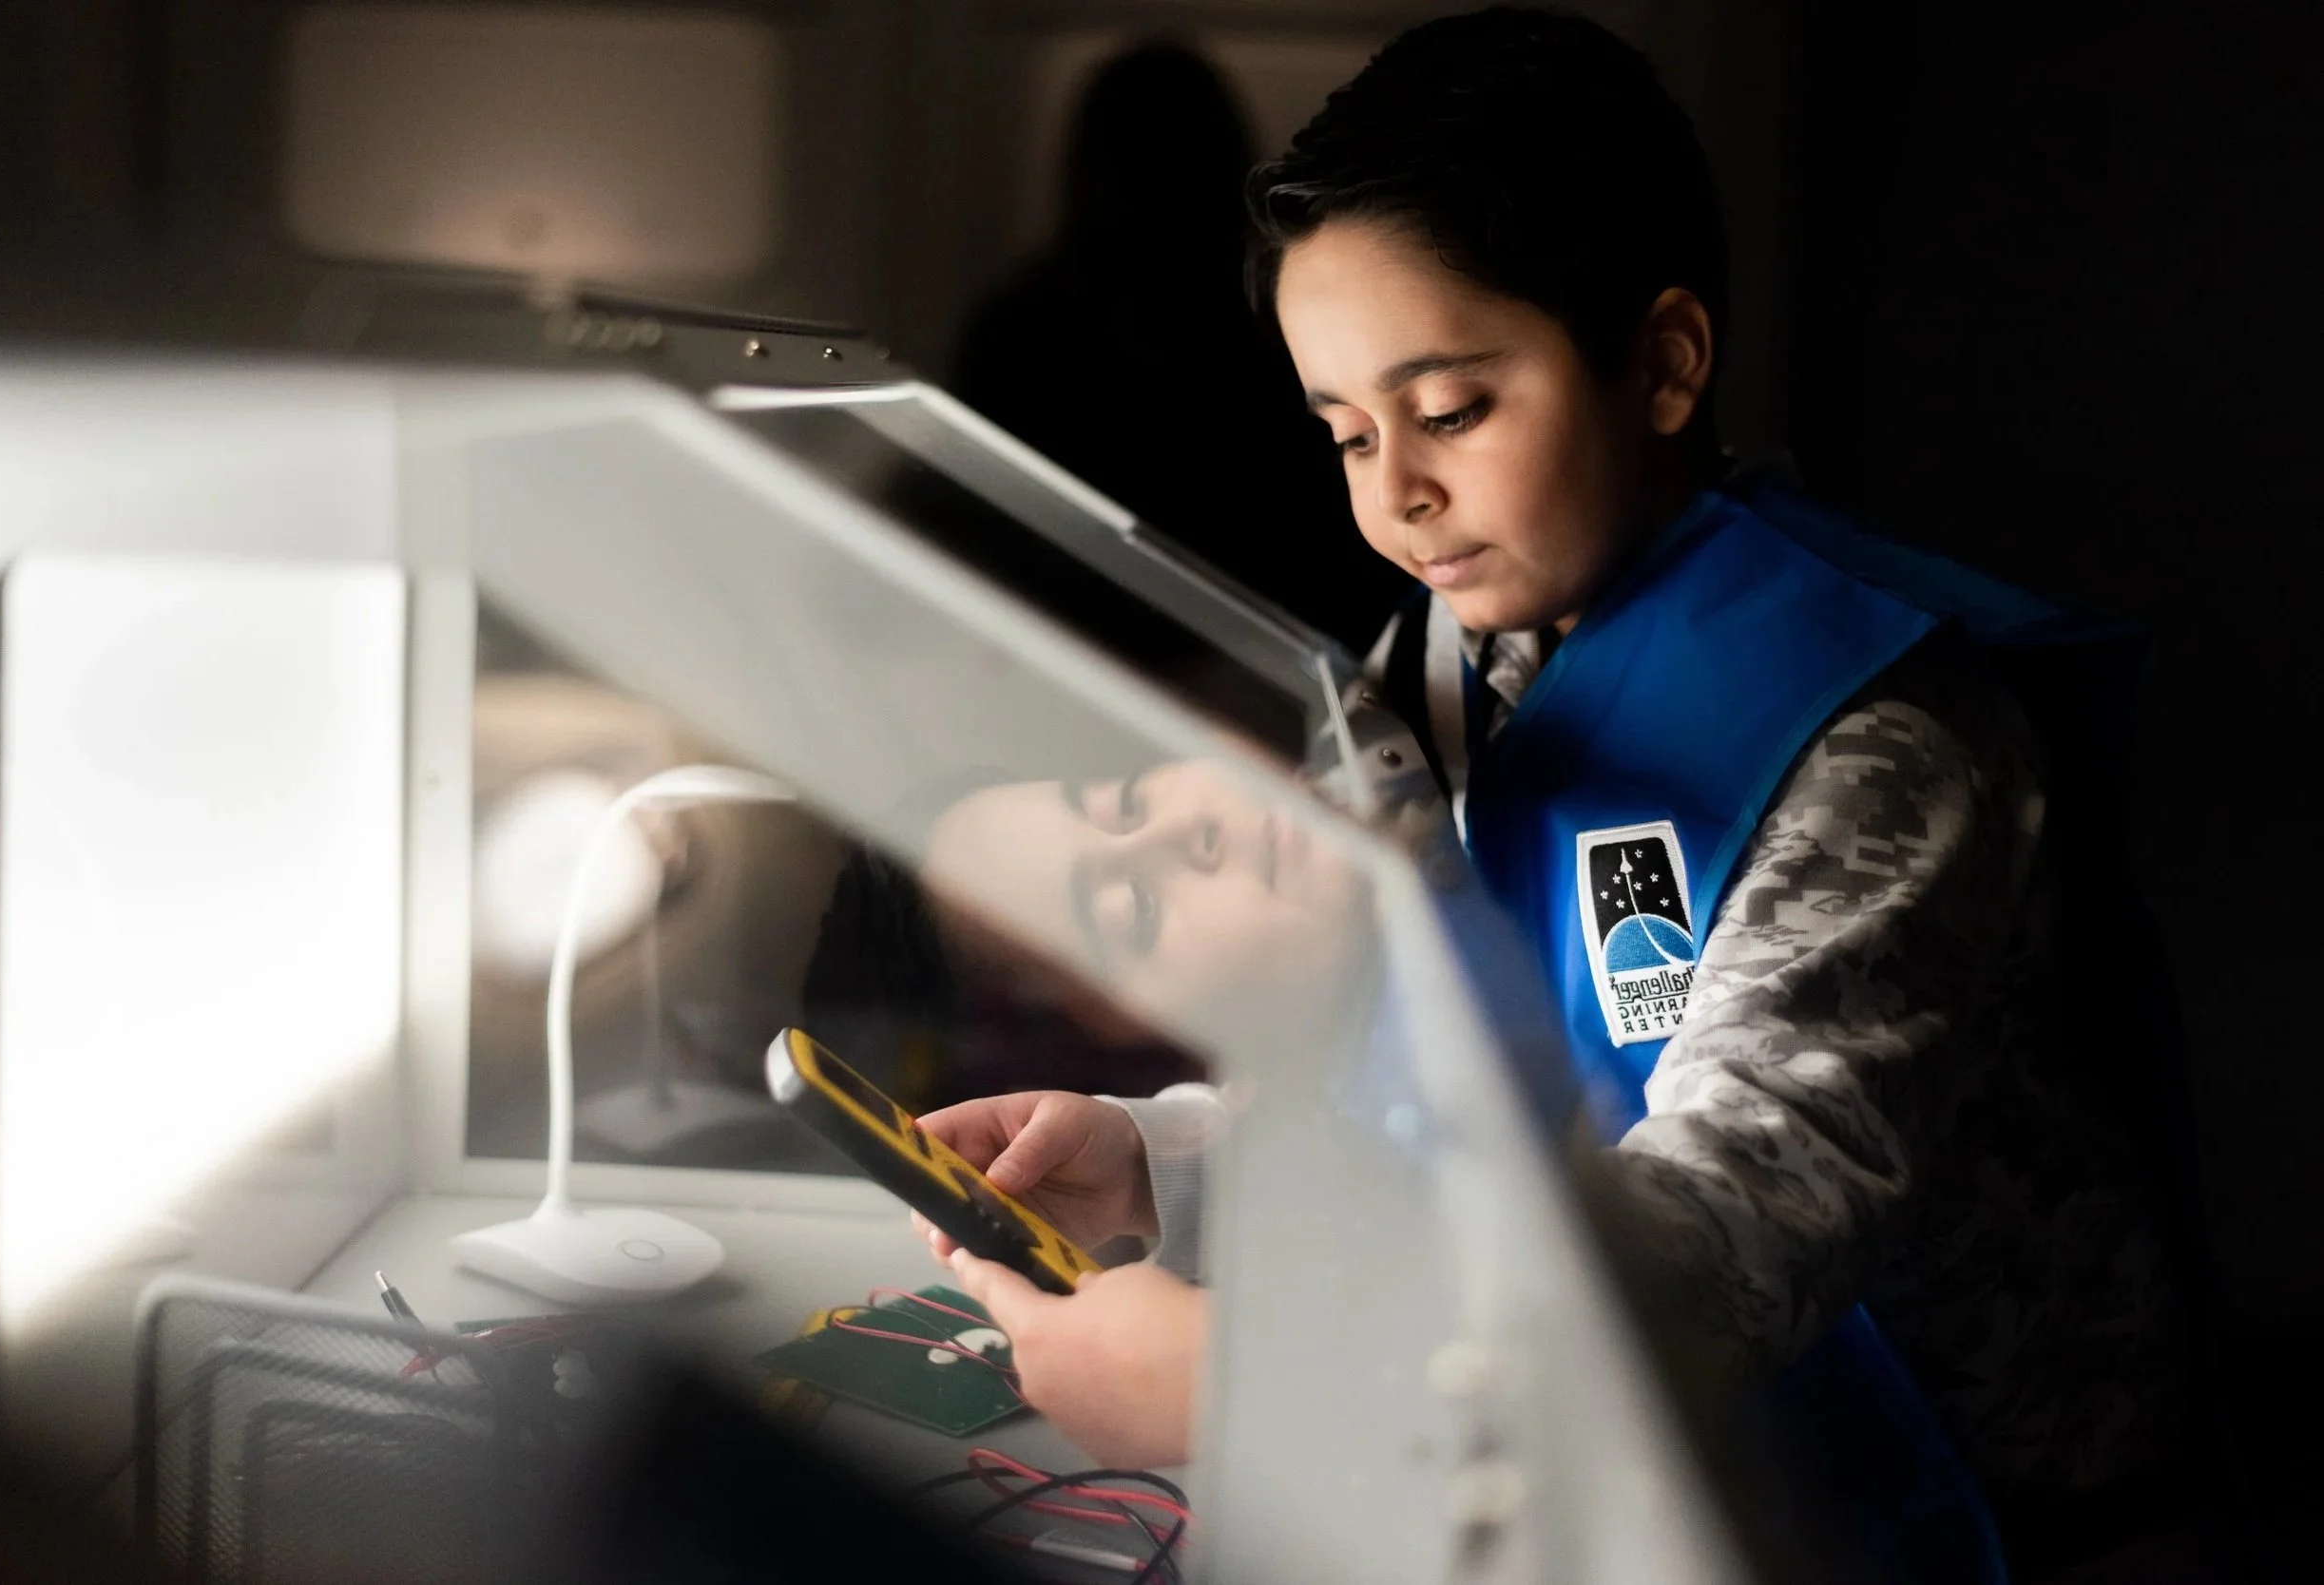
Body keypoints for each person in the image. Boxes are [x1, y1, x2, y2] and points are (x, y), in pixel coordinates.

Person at [915, 9, 2218, 1581]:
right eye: (1345, 433)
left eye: (1452, 409)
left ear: (1663, 363)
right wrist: (1165, 1161)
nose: (1396, 494)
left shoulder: (1882, 748)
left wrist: (1259, 1368)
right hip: (1648, 1468)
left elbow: (1737, 1225)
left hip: (1958, 1514)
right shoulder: (1449, 659)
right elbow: (1430, 1077)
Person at [951, 40, 1406, 652]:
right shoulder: (1278, 314)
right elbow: (1316, 536)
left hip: (1070, 633)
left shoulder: (1019, 324)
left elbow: (983, 517)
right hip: (1269, 634)